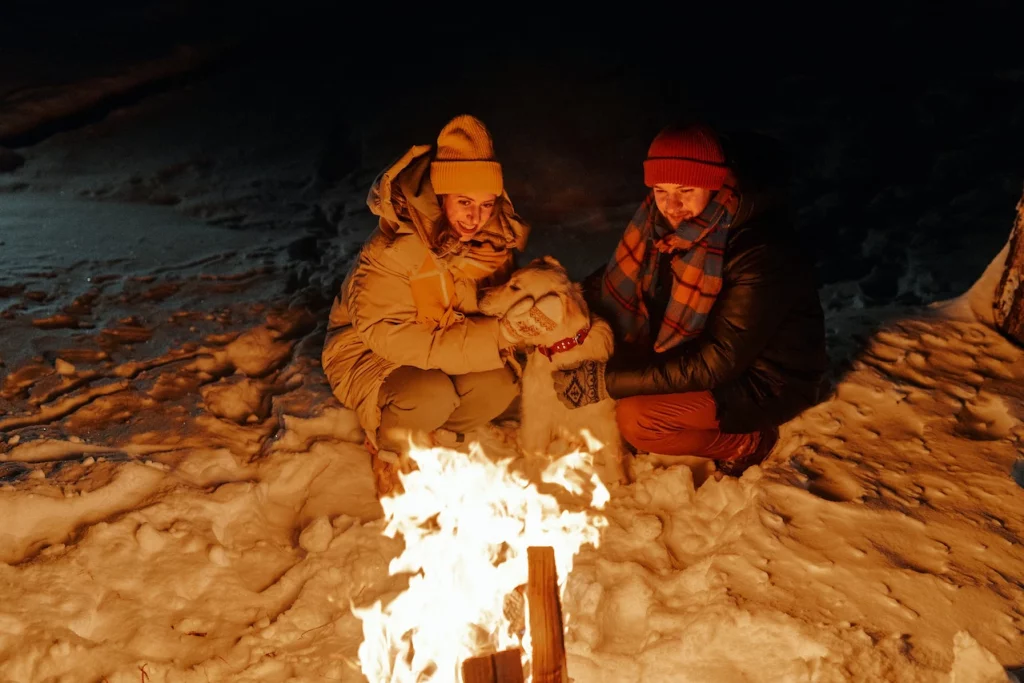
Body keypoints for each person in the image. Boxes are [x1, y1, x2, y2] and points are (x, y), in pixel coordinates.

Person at [559, 122, 827, 477]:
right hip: (705, 357)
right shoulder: (662, 229)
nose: (672, 205)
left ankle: (748, 442)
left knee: (636, 419)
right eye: (660, 190)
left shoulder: (758, 250)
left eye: (686, 190)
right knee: (618, 358)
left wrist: (606, 382)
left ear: (715, 183)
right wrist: (560, 301)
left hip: (766, 380)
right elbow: (612, 283)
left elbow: (718, 362)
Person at [321, 115, 535, 493]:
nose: (475, 217)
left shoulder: (489, 246)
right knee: (430, 394)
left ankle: (436, 438)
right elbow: (390, 336)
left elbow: (497, 307)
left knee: (499, 384)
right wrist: (496, 337)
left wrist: (529, 316)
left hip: (447, 344)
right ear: (440, 197)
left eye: (486, 204)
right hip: (370, 354)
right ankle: (390, 447)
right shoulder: (394, 249)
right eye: (464, 202)